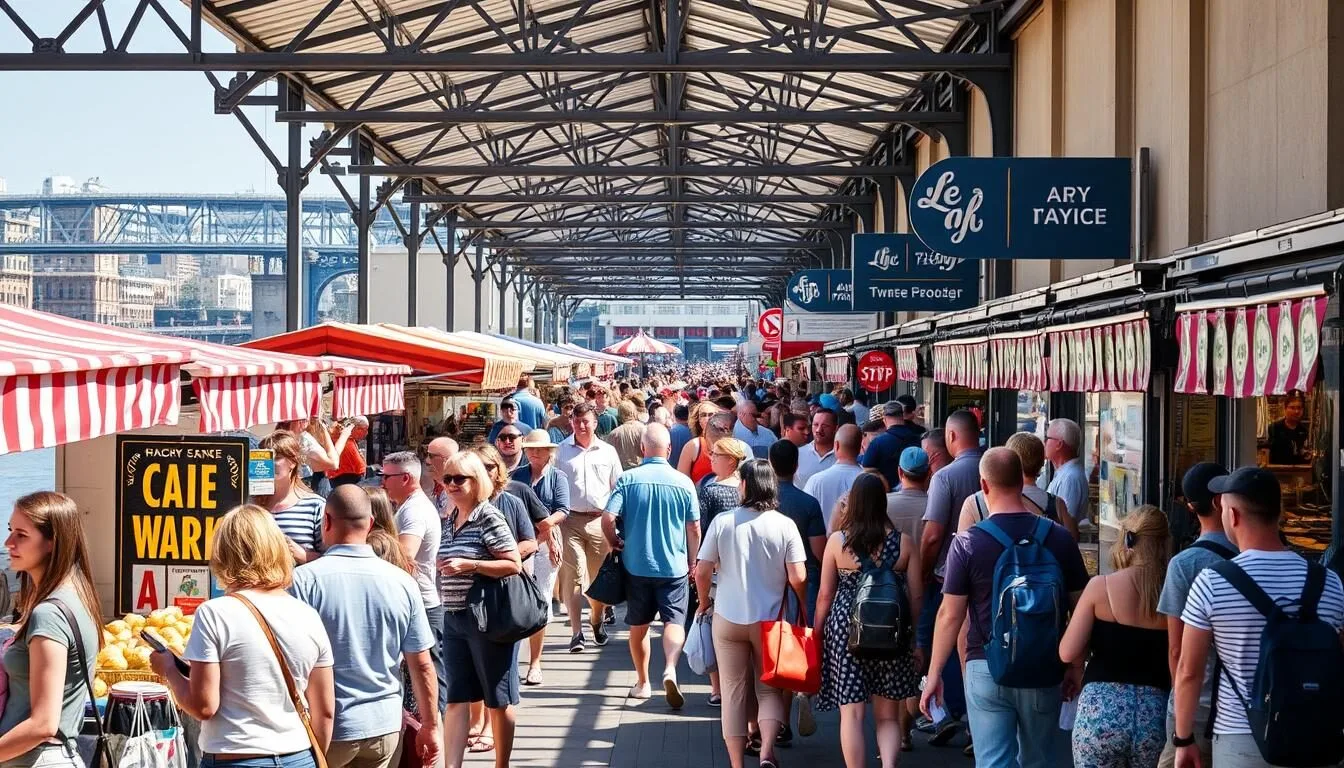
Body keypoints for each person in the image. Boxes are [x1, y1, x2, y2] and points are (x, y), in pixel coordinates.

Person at [921, 448, 1090, 768]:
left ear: (983, 485)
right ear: (1024, 480)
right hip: (1044, 666)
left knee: (994, 762)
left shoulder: (968, 543)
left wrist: (934, 675)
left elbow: (950, 615)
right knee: (1038, 760)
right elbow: (1080, 608)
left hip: (986, 665)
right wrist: (1075, 666)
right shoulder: (1058, 538)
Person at [1173, 467, 1344, 768]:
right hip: (1318, 735)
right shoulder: (1329, 582)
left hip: (1242, 736)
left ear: (1234, 516)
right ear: (1279, 514)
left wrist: (1184, 738)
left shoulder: (1212, 582)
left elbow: (1189, 671)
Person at [155, 505, 336, 768]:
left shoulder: (215, 613)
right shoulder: (308, 615)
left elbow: (203, 706)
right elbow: (325, 711)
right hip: (299, 755)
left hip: (236, 756)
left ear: (223, 553)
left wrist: (169, 669)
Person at [290, 486, 440, 768]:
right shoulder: (403, 582)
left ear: (327, 522)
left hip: (326, 729)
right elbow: (421, 664)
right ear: (370, 523)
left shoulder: (303, 581)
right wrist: (431, 725)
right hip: (383, 727)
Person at [694, 460, 808, 768]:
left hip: (728, 616)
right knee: (768, 689)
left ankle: (736, 763)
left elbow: (702, 570)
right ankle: (767, 750)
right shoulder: (785, 525)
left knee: (732, 691)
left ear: (745, 485)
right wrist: (801, 604)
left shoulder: (723, 522)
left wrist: (704, 601)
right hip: (769, 620)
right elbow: (799, 576)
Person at [815, 474, 923, 768]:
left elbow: (826, 593)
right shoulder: (905, 544)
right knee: (888, 714)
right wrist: (912, 637)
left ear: (855, 503)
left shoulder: (838, 542)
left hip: (846, 629)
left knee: (851, 714)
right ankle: (888, 765)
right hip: (892, 629)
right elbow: (915, 597)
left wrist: (817, 632)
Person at [1059, 505, 1171, 768]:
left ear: (1127, 539)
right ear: (1165, 542)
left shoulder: (1100, 587)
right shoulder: (1173, 592)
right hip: (1155, 714)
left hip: (1100, 712)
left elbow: (1067, 650)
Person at [0, 492, 102, 768]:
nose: (8, 543)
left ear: (51, 543)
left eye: (21, 535)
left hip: (38, 759)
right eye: (11, 531)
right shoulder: (77, 597)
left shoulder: (49, 613)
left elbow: (43, 723)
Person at [603, 424, 701, 706]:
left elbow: (608, 518)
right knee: (674, 621)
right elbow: (693, 527)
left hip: (636, 564)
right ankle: (670, 666)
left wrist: (614, 542)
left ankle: (643, 682)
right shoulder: (684, 483)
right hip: (674, 566)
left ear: (642, 449)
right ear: (669, 450)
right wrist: (692, 560)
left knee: (639, 625)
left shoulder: (628, 479)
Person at [436, 451, 523, 768]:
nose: (452, 485)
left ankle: (502, 764)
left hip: (487, 618)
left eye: (460, 479)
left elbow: (513, 563)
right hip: (455, 617)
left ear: (478, 481)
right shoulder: (449, 519)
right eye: (447, 479)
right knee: (456, 698)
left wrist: (470, 564)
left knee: (498, 700)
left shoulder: (488, 517)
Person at [1155, 462, 1234, 768]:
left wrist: (1180, 717)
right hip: (1250, 709)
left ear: (1190, 507)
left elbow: (1177, 651)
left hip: (1198, 708)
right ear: (1221, 500)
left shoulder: (1184, 564)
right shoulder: (1255, 554)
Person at [915, 410, 983, 743]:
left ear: (952, 438)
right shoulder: (993, 468)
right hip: (990, 577)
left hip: (951, 574)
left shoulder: (945, 477)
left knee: (952, 637)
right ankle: (976, 717)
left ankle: (951, 709)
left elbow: (932, 534)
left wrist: (926, 570)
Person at [556, 403, 624, 653]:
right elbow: (555, 486)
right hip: (569, 520)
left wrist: (615, 521)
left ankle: (596, 619)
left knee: (597, 580)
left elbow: (617, 488)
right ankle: (577, 633)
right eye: (577, 421)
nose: (581, 426)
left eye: (586, 421)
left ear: (595, 423)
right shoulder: (561, 451)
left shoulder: (607, 452)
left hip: (599, 521)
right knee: (573, 577)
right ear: (571, 422)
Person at [381, 451, 445, 714]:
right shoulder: (409, 506)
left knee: (428, 676)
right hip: (420, 601)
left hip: (422, 603)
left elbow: (405, 555)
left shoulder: (415, 510)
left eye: (386, 477)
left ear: (405, 478)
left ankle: (439, 738)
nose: (382, 482)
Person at [512, 429, 570, 686]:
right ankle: (516, 656)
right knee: (517, 597)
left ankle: (535, 662)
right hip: (521, 542)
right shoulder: (518, 475)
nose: (534, 452)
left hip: (546, 542)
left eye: (539, 448)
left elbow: (562, 510)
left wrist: (544, 531)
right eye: (530, 448)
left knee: (541, 598)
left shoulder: (558, 477)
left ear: (549, 451)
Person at [957, 432, 1058, 532]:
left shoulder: (974, 503)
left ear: (1007, 461)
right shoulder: (1056, 504)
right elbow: (1071, 544)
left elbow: (963, 544)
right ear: (1041, 462)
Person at [257, 430, 326, 564]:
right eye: (264, 458)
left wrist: (303, 555)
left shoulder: (315, 506)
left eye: (276, 458)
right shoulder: (251, 504)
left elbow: (331, 561)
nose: (269, 463)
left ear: (293, 462)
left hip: (298, 583)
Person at [803, 423, 865, 531]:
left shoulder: (816, 481)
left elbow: (804, 516)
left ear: (836, 445)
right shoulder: (870, 480)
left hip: (825, 545)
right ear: (860, 447)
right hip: (862, 545)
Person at [861, 401, 926, 489]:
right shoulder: (918, 439)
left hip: (886, 496)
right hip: (915, 492)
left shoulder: (877, 442)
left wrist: (884, 483)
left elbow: (867, 469)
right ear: (902, 416)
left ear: (884, 419)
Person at [1045, 417, 1088, 540]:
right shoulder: (1066, 474)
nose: (1044, 443)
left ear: (1059, 444)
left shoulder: (1070, 478)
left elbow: (1065, 524)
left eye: (1047, 439)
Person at [676, 402, 722, 483]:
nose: (707, 418)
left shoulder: (729, 442)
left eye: (711, 414)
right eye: (703, 415)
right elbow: (682, 482)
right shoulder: (693, 446)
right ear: (699, 421)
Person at [1266, 390, 1310, 464]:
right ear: (1285, 409)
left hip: (1298, 471)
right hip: (1278, 470)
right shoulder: (1274, 428)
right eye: (1292, 408)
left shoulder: (1304, 430)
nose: (1296, 411)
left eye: (1299, 408)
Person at [327, 416, 370, 488]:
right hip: (345, 477)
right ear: (355, 427)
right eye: (364, 429)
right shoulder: (341, 437)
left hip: (350, 476)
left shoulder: (349, 438)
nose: (367, 433)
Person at [607, 399, 649, 470]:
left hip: (623, 471)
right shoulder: (645, 429)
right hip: (642, 469)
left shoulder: (613, 434)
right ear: (634, 412)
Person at [423, 437, 459, 514]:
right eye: (426, 455)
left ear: (447, 460)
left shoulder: (457, 489)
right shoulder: (440, 485)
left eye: (432, 456)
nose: (427, 461)